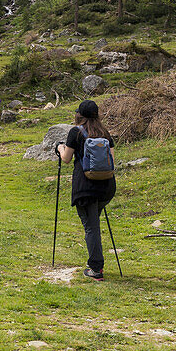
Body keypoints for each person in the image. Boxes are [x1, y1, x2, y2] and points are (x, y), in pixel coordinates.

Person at [56, 99, 116, 281]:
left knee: (91, 228)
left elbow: (66, 158)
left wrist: (59, 148)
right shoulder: (105, 133)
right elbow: (111, 160)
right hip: (106, 186)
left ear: (79, 115)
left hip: (86, 188)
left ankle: (96, 269)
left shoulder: (76, 132)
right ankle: (96, 264)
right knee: (93, 224)